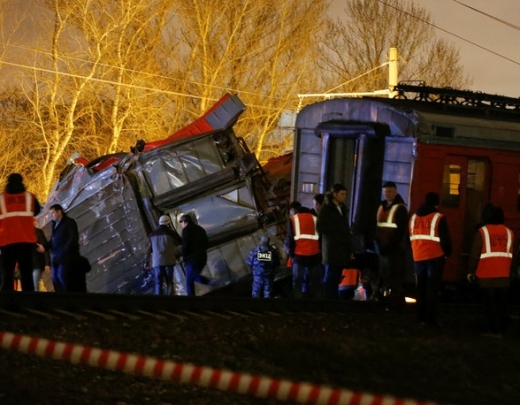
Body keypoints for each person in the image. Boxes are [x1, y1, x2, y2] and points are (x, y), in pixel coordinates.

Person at [467, 205, 516, 337]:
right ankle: (503, 328)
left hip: (486, 275)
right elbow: (513, 254)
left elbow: (475, 253)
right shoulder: (509, 232)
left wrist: (471, 271)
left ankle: (495, 331)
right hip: (504, 275)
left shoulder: (483, 232)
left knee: (491, 305)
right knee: (502, 304)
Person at [409, 192, 452, 327]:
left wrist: (415, 252)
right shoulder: (438, 217)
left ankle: (419, 317)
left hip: (418, 257)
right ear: (436, 203)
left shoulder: (413, 218)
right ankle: (430, 319)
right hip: (435, 257)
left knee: (420, 288)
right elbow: (445, 239)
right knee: (431, 289)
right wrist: (446, 254)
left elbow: (407, 238)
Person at [0, 173, 41, 291]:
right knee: (26, 272)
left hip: (6, 240)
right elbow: (36, 211)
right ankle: (28, 297)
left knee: (7, 272)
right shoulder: (30, 197)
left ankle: (7, 298)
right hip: (26, 240)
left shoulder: (1, 198)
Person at [374, 181, 409, 310]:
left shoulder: (400, 208)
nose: (387, 194)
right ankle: (387, 303)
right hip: (383, 248)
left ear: (395, 192)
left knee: (393, 278)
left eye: (389, 191)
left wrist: (388, 246)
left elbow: (400, 231)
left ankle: (395, 304)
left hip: (394, 249)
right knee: (385, 277)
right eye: (385, 192)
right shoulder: (382, 207)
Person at [38, 204, 85, 292]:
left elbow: (73, 238)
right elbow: (53, 240)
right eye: (50, 214)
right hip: (56, 256)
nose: (52, 215)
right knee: (56, 279)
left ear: (59, 211)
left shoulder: (69, 222)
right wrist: (44, 247)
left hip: (67, 257)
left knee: (64, 278)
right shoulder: (54, 225)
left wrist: (65, 250)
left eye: (53, 213)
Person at [317, 183, 352, 299]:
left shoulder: (341, 209)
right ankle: (329, 299)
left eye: (345, 194)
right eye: (342, 194)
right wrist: (337, 231)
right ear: (334, 194)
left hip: (340, 248)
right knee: (331, 276)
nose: (344, 197)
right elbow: (320, 227)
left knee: (336, 276)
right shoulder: (327, 209)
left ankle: (332, 298)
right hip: (332, 248)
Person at [284, 201, 322, 299]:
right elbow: (321, 238)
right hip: (315, 255)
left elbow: (289, 239)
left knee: (298, 283)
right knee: (315, 283)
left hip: (299, 256)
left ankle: (298, 306)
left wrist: (291, 254)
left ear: (293, 210)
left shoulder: (293, 219)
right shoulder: (315, 219)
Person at [145, 215, 182, 296]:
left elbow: (148, 249)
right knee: (169, 282)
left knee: (158, 283)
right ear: (169, 224)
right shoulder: (171, 233)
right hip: (169, 261)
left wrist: (146, 261)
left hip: (157, 262)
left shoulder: (152, 234)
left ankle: (159, 302)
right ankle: (170, 301)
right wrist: (175, 253)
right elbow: (181, 244)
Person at [179, 213, 210, 296]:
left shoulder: (186, 230)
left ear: (185, 222)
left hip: (191, 259)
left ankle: (191, 301)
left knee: (189, 280)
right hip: (202, 257)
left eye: (181, 222)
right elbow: (206, 243)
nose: (181, 224)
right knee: (193, 276)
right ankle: (212, 282)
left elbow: (185, 246)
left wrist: (185, 257)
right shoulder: (200, 229)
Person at [33, 219, 51, 291]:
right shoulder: (25, 234)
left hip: (37, 263)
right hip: (30, 263)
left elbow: (44, 248)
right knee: (33, 285)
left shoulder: (38, 232)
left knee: (34, 284)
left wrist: (47, 263)